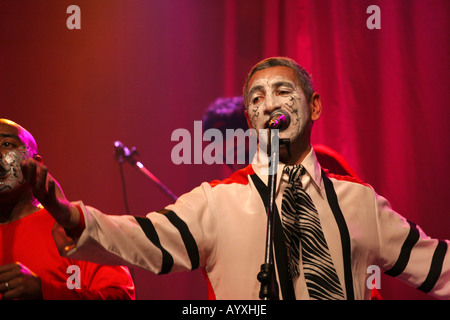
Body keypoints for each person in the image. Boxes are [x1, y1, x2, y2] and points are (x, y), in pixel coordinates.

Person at [21, 57, 449, 300]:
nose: (270, 104)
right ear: (250, 119)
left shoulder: (359, 202)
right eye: (257, 98)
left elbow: (436, 265)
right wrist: (71, 216)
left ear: (314, 107)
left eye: (283, 91)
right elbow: (144, 238)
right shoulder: (218, 202)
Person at [0, 119, 135, 300]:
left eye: (6, 144)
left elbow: (120, 295)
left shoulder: (73, 227)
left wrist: (45, 292)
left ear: (35, 163)